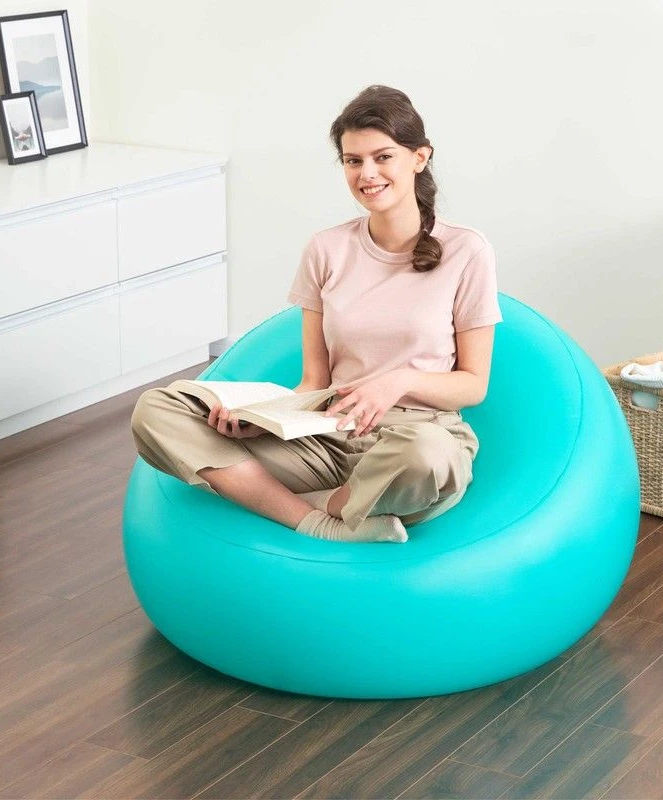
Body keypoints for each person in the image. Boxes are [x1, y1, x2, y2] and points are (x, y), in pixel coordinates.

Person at [131, 84, 502, 543]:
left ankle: (324, 503)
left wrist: (398, 381)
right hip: (327, 436)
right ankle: (319, 521)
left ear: (419, 158)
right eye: (353, 160)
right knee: (157, 408)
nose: (367, 173)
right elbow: (313, 382)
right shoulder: (326, 249)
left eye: (383, 157)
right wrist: (258, 418)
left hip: (414, 439)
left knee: (429, 456)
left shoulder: (467, 250)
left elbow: (473, 385)